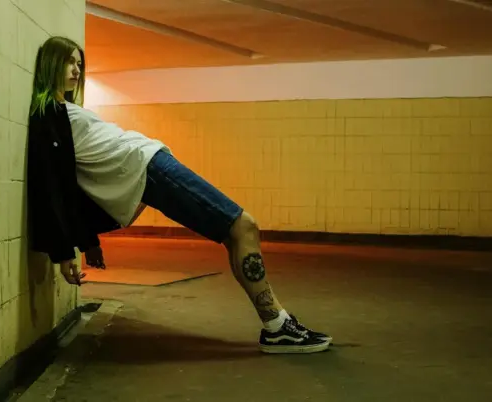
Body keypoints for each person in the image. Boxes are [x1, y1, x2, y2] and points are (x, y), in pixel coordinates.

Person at [26, 36, 332, 354]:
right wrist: (65, 251)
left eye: (79, 63)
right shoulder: (48, 116)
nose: (76, 69)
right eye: (69, 62)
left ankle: (278, 324)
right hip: (150, 169)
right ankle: (278, 326)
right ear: (50, 64)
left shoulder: (66, 110)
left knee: (238, 231)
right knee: (244, 226)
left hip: (151, 164)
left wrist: (86, 242)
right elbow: (53, 186)